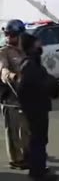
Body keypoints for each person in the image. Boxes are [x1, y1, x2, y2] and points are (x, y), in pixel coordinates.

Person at [16, 33, 58, 181]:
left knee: (39, 139)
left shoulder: (33, 63)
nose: (40, 45)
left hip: (37, 107)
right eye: (37, 43)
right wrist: (45, 87)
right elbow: (24, 88)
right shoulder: (29, 64)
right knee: (38, 139)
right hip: (35, 108)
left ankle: (38, 169)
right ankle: (38, 172)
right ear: (31, 46)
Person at [0, 19, 30, 170]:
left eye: (12, 35)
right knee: (12, 129)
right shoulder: (3, 52)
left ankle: (27, 154)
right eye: (7, 35)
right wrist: (10, 76)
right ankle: (16, 159)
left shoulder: (26, 51)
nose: (8, 38)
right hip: (9, 97)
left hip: (24, 95)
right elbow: (2, 70)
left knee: (25, 128)